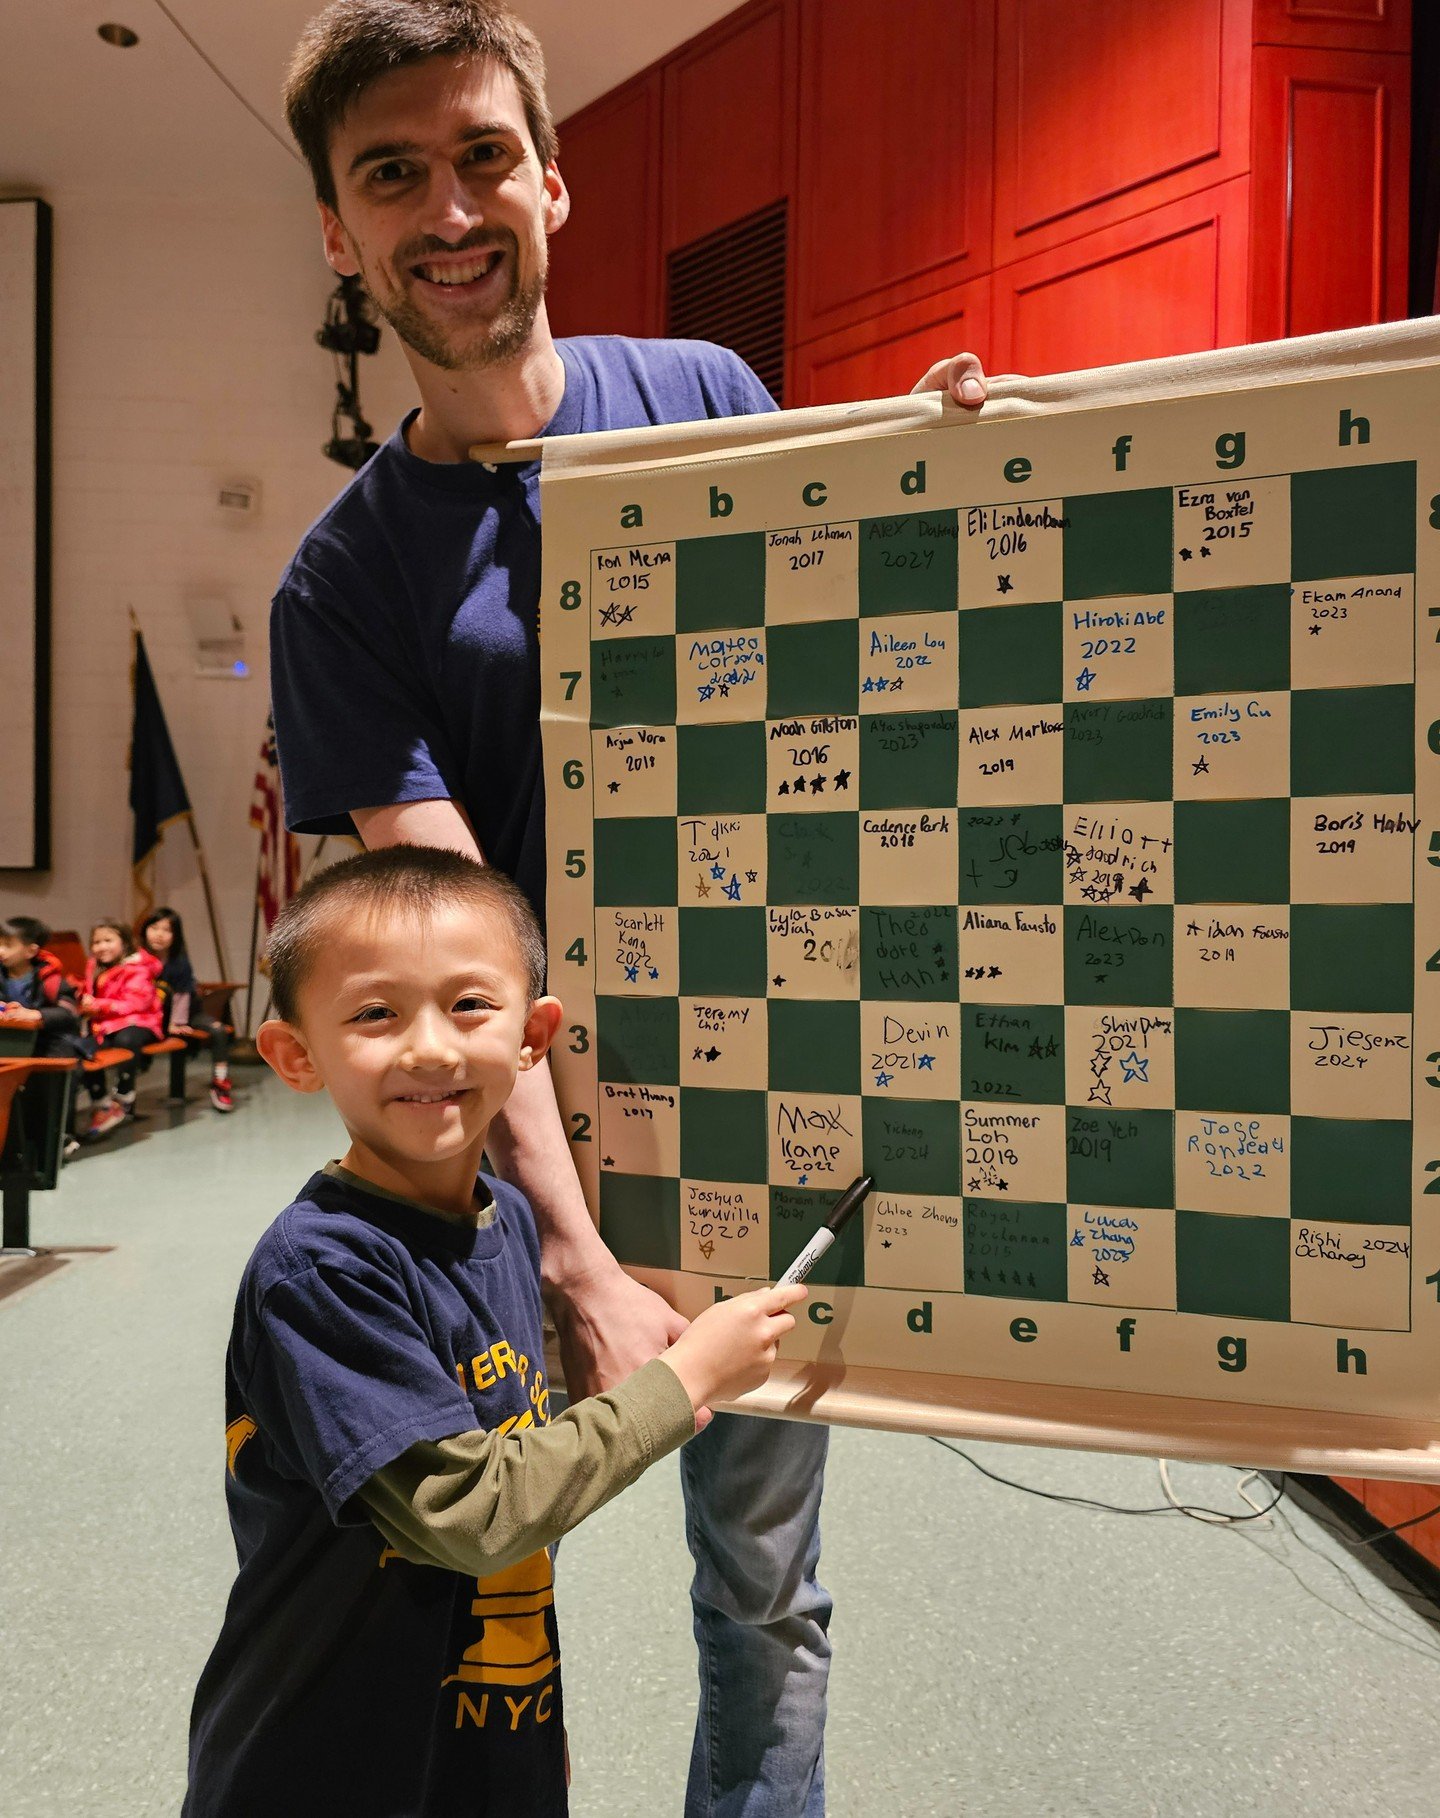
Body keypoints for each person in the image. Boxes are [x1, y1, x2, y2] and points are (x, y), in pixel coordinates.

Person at [272, 5, 988, 1810]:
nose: (448, 207)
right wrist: (578, 1245)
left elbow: (881, 670)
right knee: (457, 1592)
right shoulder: (341, 586)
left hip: (751, 1116)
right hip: (497, 1173)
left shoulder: (711, 402)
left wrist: (971, 478)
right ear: (340, 236)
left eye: (482, 155)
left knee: (762, 1594)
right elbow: (462, 944)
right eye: (392, 175)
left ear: (552, 179)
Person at [183, 842, 804, 1818]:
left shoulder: (504, 1221)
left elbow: (529, 1448)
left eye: (469, 1005)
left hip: (482, 1740)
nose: (430, 1046)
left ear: (533, 1036)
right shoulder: (325, 1271)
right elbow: (468, 1512)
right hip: (327, 1760)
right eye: (376, 1014)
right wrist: (683, 1382)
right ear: (296, 1053)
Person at [138, 906, 236, 1113]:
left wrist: (178, 1022)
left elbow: (182, 996)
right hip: (154, 1018)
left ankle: (220, 1083)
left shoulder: (179, 962)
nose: (159, 934)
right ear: (145, 929)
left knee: (219, 1030)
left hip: (188, 1013)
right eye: (154, 927)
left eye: (167, 930)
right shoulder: (137, 960)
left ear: (176, 936)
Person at [77, 918, 163, 1140]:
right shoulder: (93, 966)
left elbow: (138, 1003)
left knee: (127, 1039)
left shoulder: (137, 969)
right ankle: (103, 1104)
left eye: (108, 940)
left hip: (141, 1022)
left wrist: (98, 1006)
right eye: (96, 942)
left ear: (124, 943)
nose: (101, 947)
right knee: (85, 1051)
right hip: (105, 1024)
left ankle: (124, 1096)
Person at [0, 915, 85, 1059]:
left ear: (31, 951)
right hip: (8, 1039)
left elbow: (69, 1011)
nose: (0, 950)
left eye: (8, 945)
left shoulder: (49, 978)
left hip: (46, 1039)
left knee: (59, 1059)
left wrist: (37, 1014)